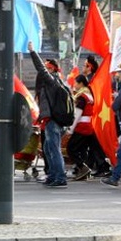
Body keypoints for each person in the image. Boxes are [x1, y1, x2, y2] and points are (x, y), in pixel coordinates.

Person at [28, 41, 69, 188]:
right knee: (47, 148)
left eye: (47, 68)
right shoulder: (53, 83)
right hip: (49, 120)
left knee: (54, 149)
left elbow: (40, 68)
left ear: (51, 70)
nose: (44, 70)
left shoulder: (52, 82)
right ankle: (53, 175)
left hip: (53, 121)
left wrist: (33, 52)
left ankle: (60, 177)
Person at [67, 74, 97, 181]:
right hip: (89, 126)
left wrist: (70, 128)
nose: (74, 85)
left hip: (81, 126)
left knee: (71, 148)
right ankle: (83, 171)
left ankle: (82, 167)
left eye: (76, 82)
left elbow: (77, 114)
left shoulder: (82, 97)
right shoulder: (89, 95)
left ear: (81, 83)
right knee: (82, 149)